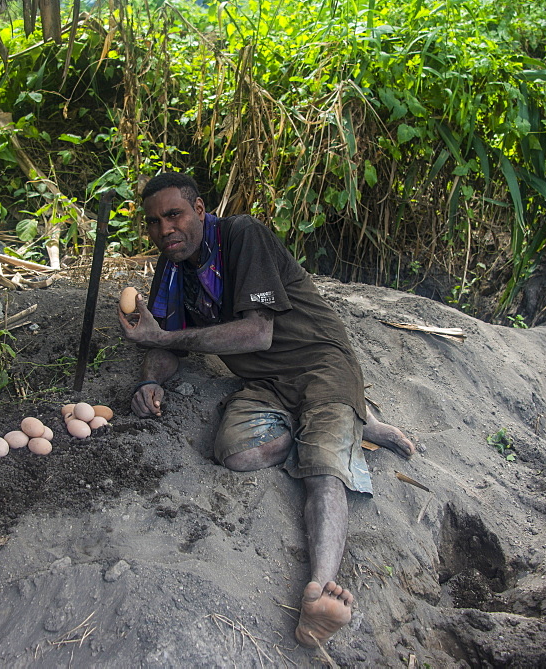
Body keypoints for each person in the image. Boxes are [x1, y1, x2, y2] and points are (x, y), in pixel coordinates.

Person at [117, 172, 417, 648]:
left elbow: (258, 333)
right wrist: (152, 377)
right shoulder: (171, 270)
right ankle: (350, 423)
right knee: (234, 452)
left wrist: (164, 338)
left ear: (198, 209)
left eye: (173, 214)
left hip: (320, 363)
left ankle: (318, 593)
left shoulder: (241, 236)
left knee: (322, 467)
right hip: (264, 383)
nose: (164, 229)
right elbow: (166, 342)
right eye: (153, 222)